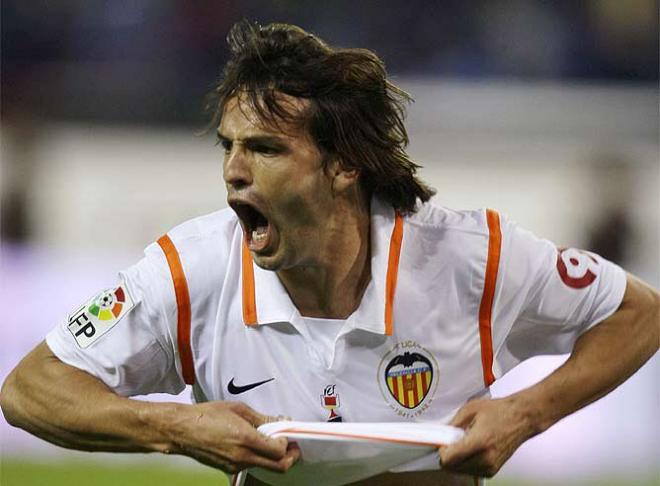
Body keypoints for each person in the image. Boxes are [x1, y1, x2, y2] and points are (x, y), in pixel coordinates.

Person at [1, 21, 658, 486]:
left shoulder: (467, 258)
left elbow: (639, 314)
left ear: (343, 164)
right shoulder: (191, 269)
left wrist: (527, 412)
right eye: (227, 145)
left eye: (264, 148)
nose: (233, 171)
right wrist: (175, 426)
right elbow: (31, 389)